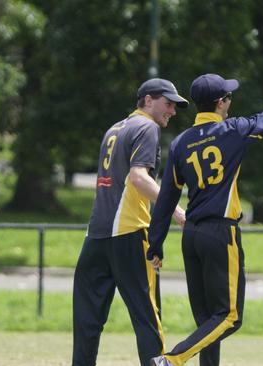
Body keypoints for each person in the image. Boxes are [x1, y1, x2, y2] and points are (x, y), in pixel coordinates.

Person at [145, 46, 263, 366]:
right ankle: (170, 360)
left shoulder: (181, 141)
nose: (230, 102)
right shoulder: (233, 129)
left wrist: (155, 245)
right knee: (229, 317)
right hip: (220, 234)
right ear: (221, 103)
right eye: (229, 97)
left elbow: (166, 198)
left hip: (191, 235)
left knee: (209, 320)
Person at [72, 78, 188, 366]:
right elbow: (138, 177)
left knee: (87, 319)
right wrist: (175, 209)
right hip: (129, 232)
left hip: (96, 235)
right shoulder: (146, 127)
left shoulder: (115, 128)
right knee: (147, 316)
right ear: (148, 100)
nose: (172, 111)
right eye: (168, 103)